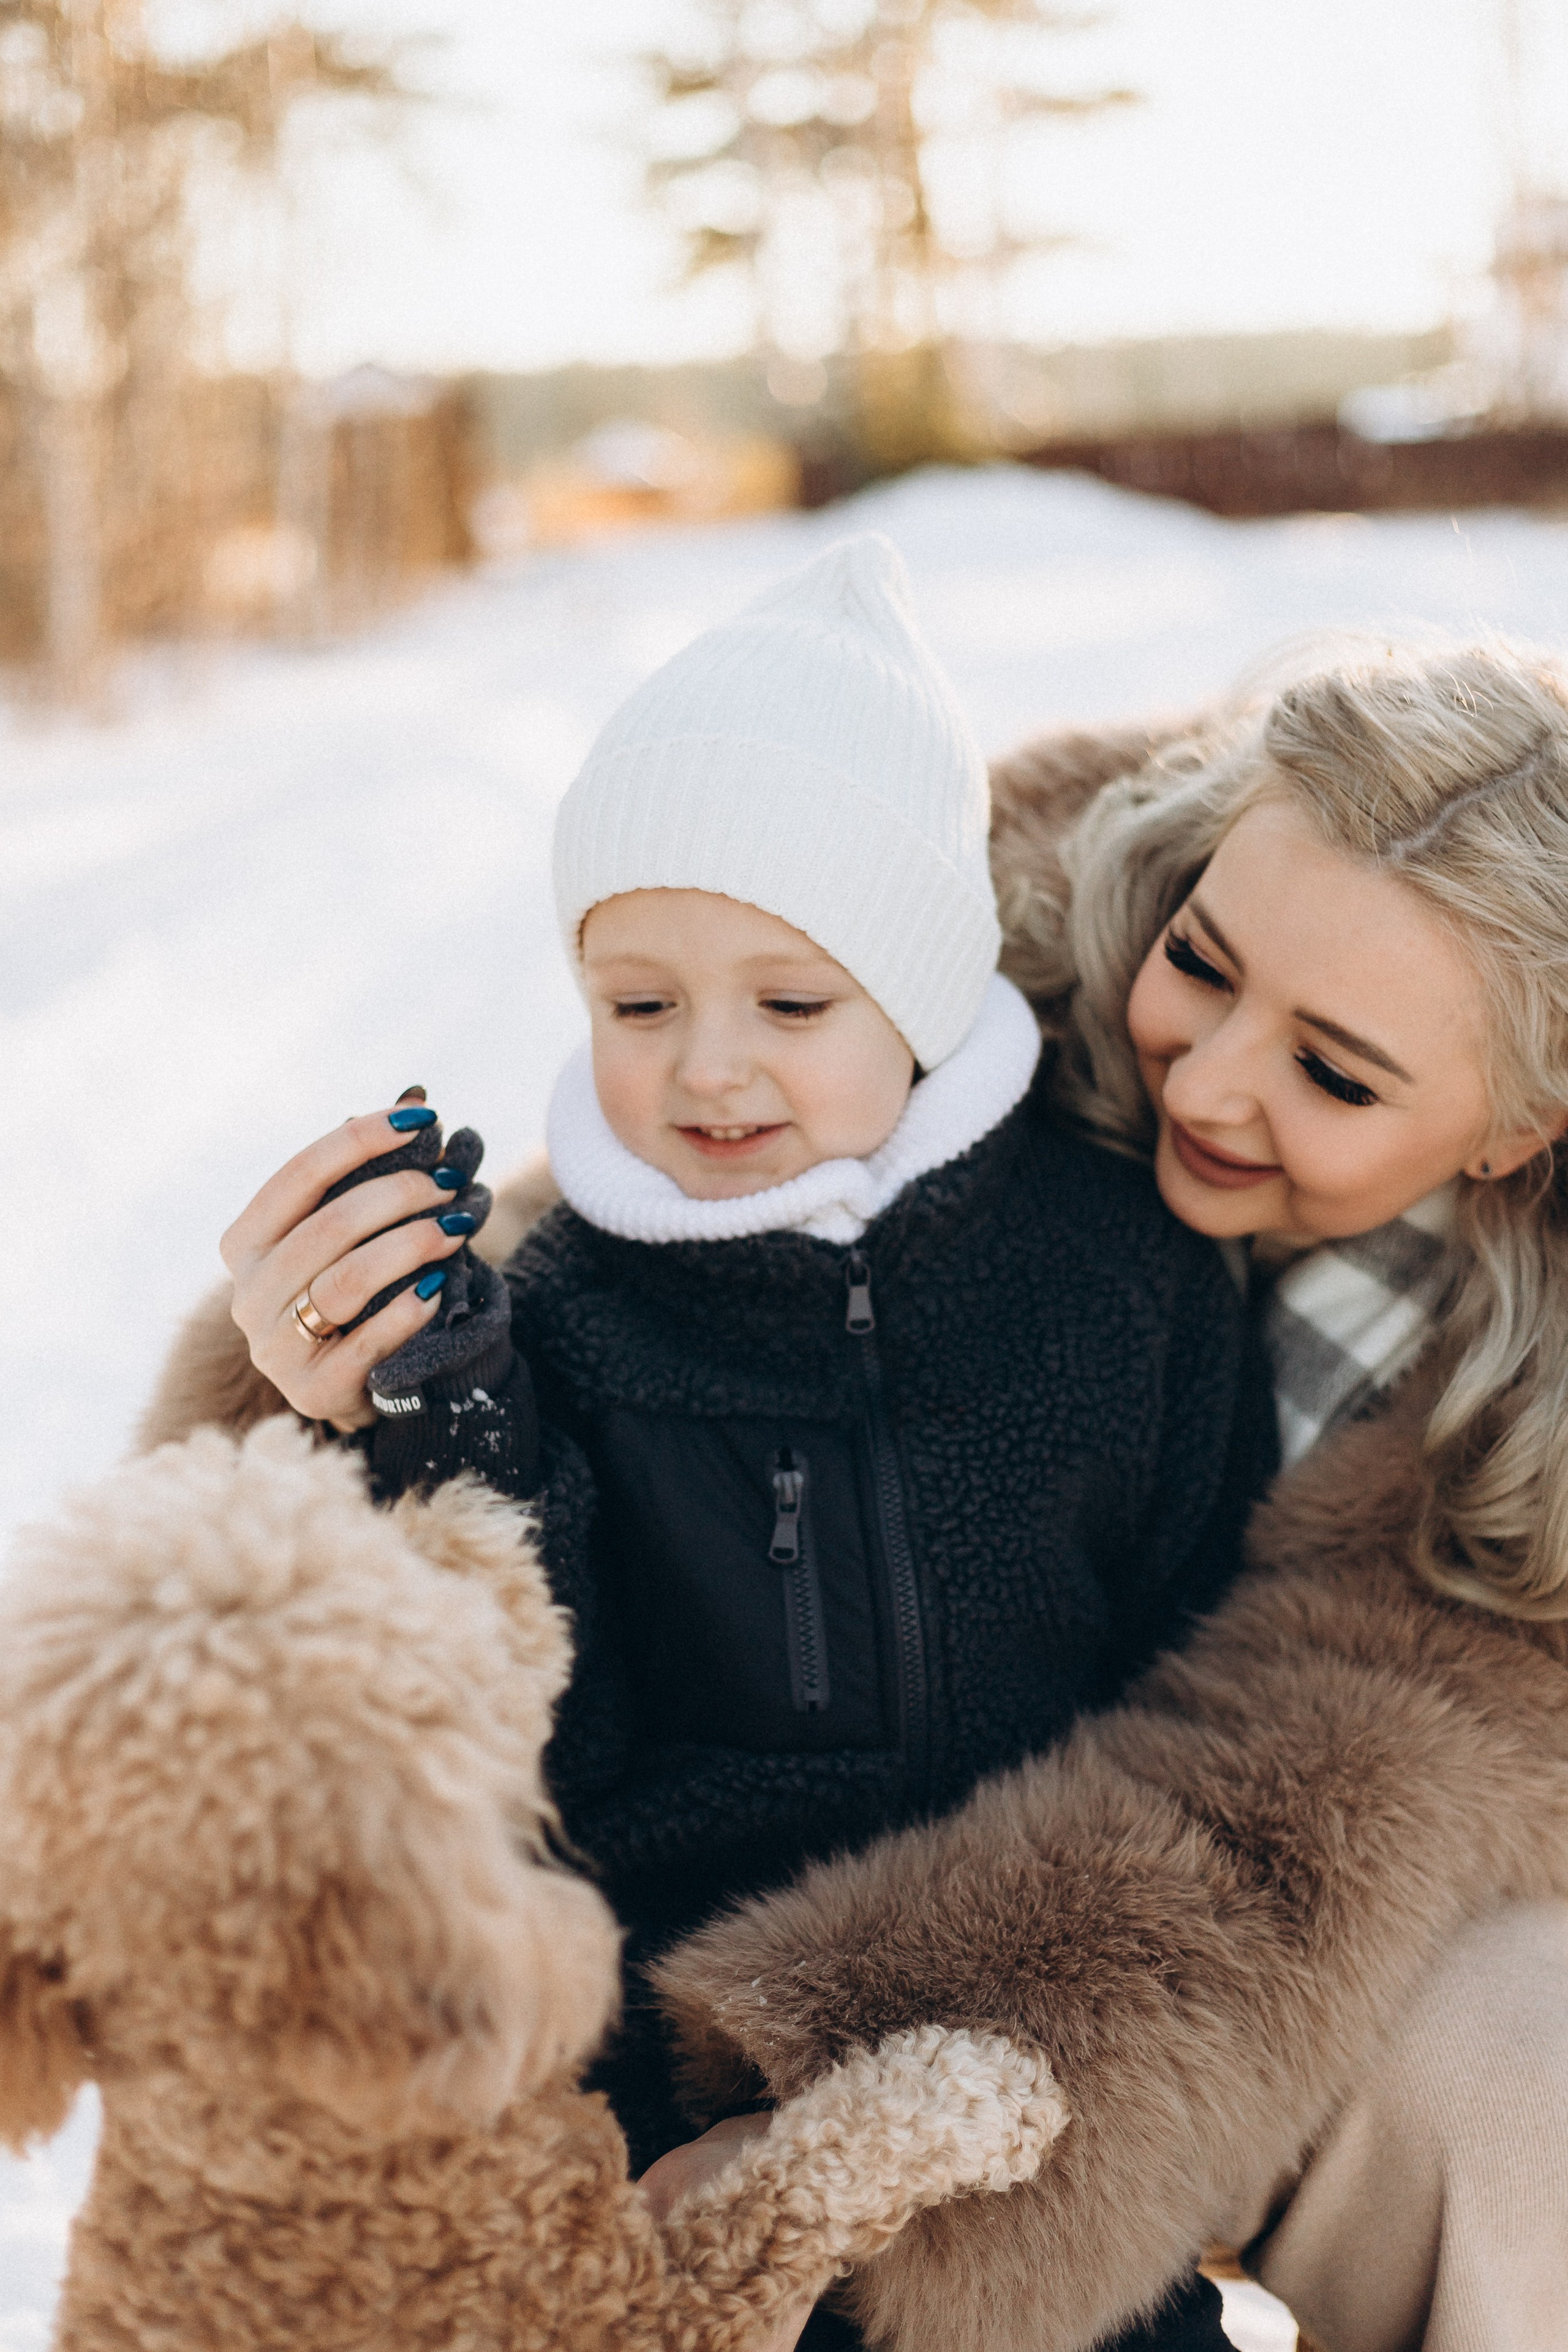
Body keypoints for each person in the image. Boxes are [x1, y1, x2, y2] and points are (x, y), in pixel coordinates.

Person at [213, 537, 1275, 2352]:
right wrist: (456, 1425)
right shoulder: (560, 1310)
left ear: (929, 996)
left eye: (792, 1003)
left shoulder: (1122, 1265)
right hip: (671, 2114)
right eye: (638, 1004)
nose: (707, 1071)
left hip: (1033, 2089)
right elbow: (548, 1741)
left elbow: (1206, 1683)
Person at [652, 639, 1568, 2352]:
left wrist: (868, 2118)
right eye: (1202, 963)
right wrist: (368, 1349)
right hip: (820, 1753)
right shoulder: (993, 970)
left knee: (1531, 2083)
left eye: (1338, 1074)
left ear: (1519, 1129)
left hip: (1244, 1923)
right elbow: (633, 1249)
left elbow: (1295, 1813)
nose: (1207, 1080)